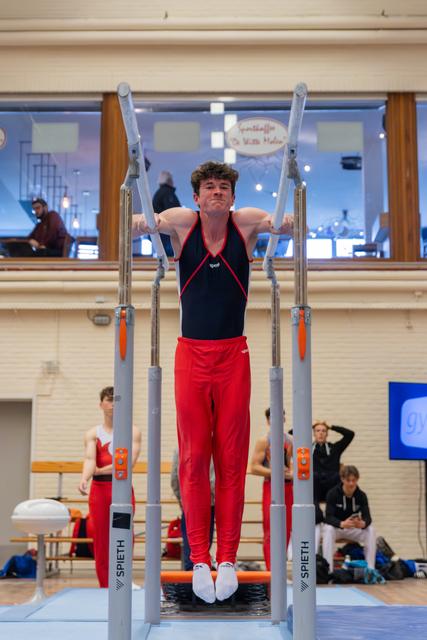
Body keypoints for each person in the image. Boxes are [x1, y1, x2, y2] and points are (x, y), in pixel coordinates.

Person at [132, 160, 293, 603]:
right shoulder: (184, 223)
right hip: (191, 357)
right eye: (209, 187)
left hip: (233, 355)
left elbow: (288, 221)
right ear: (198, 196)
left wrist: (288, 217)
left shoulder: (246, 223)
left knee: (230, 457)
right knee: (194, 457)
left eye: (224, 186)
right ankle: (199, 556)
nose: (217, 192)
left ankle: (226, 558)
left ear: (232, 196)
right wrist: (141, 219)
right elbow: (135, 226)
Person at [78, 386, 142, 588]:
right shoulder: (92, 433)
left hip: (121, 490)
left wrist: (98, 470)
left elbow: (126, 466)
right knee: (102, 539)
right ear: (101, 404)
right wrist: (85, 478)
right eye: (109, 399)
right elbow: (90, 459)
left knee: (123, 535)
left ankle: (122, 581)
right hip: (99, 492)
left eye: (117, 400)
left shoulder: (132, 431)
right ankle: (105, 585)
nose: (113, 404)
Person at [250, 408, 293, 570]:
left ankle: (280, 570)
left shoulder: (291, 440)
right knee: (270, 530)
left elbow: (295, 466)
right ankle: (271, 572)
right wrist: (275, 472)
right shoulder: (264, 441)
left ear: (284, 419)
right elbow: (254, 467)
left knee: (286, 530)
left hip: (288, 488)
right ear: (268, 421)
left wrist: (292, 474)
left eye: (281, 417)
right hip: (271, 486)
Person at [322, 465, 376, 571]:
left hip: (353, 529)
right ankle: (328, 570)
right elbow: (328, 517)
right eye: (348, 480)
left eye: (354, 480)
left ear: (357, 479)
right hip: (337, 528)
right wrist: (341, 524)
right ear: (342, 479)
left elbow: (368, 517)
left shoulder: (361, 496)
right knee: (328, 529)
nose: (351, 483)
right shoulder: (332, 493)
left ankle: (370, 569)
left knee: (371, 530)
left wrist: (363, 523)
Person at [171, 447, 215, 570]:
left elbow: (174, 478)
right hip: (207, 502)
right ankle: (197, 573)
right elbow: (212, 481)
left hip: (189, 501)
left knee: (191, 544)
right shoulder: (213, 448)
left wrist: (181, 499)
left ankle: (192, 574)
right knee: (203, 543)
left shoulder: (180, 448)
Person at [312, 420, 354, 502]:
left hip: (332, 487)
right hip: (315, 488)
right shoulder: (308, 449)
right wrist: (309, 426)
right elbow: (291, 433)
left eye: (324, 431)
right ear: (314, 433)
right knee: (313, 477)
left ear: (327, 434)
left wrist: (331, 427)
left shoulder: (335, 448)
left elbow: (350, 434)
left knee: (337, 476)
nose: (321, 433)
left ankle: (332, 512)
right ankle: (317, 514)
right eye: (318, 431)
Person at [152, 171, 181, 257]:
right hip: (167, 234)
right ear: (169, 180)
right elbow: (173, 212)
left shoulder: (159, 193)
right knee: (170, 258)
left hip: (161, 233)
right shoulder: (167, 193)